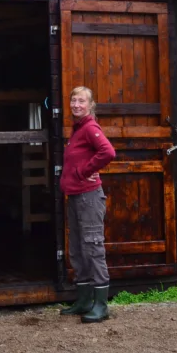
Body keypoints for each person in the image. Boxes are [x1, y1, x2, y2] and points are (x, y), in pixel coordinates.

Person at [59, 86, 116, 323]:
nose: (76, 105)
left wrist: (85, 171)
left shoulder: (90, 127)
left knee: (93, 247)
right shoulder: (77, 129)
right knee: (78, 249)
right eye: (73, 101)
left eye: (81, 101)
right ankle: (83, 300)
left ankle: (101, 305)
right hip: (75, 196)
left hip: (89, 197)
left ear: (90, 105)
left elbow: (108, 152)